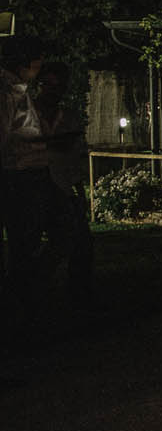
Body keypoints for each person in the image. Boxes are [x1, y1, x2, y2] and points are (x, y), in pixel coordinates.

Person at [34, 61, 93, 308]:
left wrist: (79, 191)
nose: (53, 91)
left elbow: (74, 158)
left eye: (58, 87)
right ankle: (34, 286)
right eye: (48, 85)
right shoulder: (26, 115)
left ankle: (77, 292)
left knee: (79, 240)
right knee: (37, 241)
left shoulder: (67, 117)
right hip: (33, 186)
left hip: (63, 185)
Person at [2, 36, 54, 312]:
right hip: (18, 175)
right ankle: (22, 297)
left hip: (27, 173)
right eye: (37, 61)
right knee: (24, 240)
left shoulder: (18, 90)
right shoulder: (8, 92)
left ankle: (24, 293)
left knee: (30, 239)